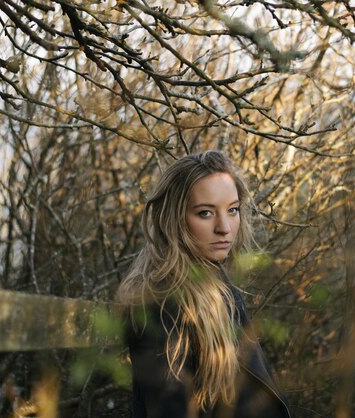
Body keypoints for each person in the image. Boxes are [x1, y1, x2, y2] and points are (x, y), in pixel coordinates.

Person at [116, 151, 291, 418]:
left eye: (232, 210)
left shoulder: (217, 289)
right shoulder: (162, 304)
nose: (224, 227)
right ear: (173, 219)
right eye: (206, 213)